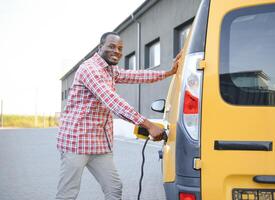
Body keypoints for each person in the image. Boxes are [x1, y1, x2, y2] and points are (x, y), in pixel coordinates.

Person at [56, 32, 181, 200]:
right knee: (68, 194)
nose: (117, 51)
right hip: (76, 142)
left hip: (98, 144)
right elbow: (113, 101)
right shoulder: (90, 69)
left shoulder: (111, 70)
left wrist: (168, 73)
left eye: (120, 48)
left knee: (114, 189)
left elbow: (136, 75)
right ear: (100, 48)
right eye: (112, 46)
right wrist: (149, 125)